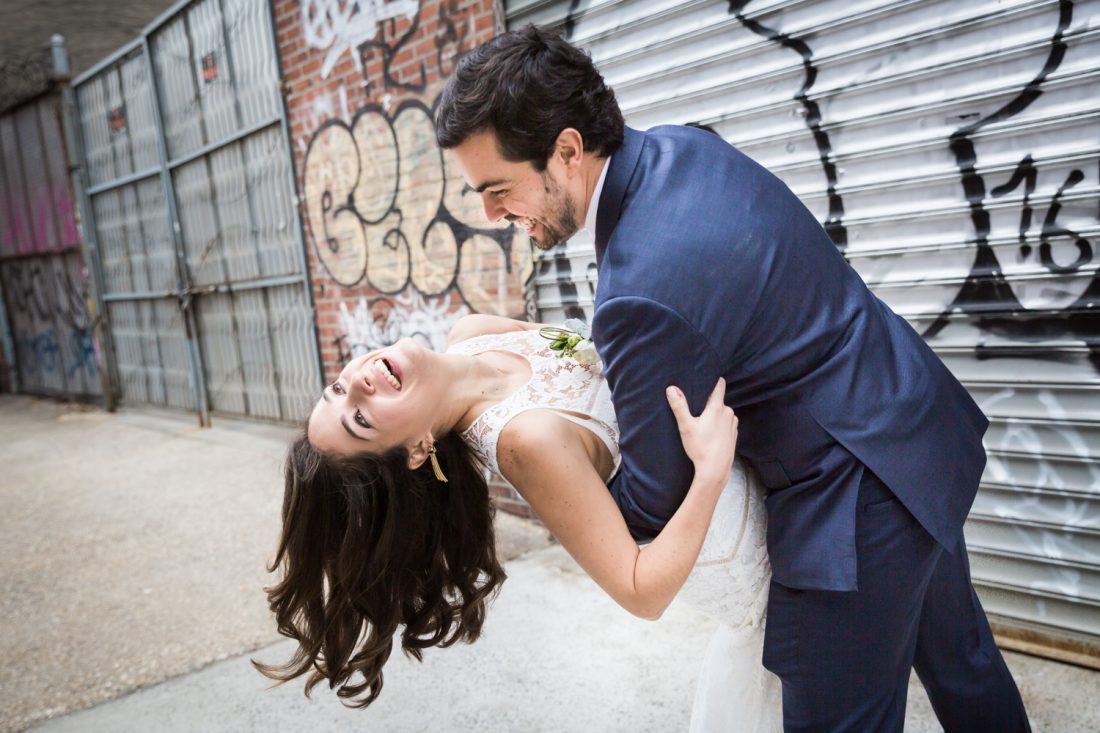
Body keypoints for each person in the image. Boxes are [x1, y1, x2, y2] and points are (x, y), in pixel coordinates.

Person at [432, 25, 1031, 733]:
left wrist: (563, 464)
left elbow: (655, 500)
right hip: (913, 423)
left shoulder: (636, 294)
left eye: (497, 189)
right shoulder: (684, 147)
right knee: (966, 667)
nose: (493, 215)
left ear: (566, 149)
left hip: (853, 506)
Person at [258, 315, 781, 730]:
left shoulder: (470, 335)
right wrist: (710, 472)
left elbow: (602, 349)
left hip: (777, 462)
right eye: (361, 417)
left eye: (337, 387)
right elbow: (640, 591)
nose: (358, 381)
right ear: (416, 451)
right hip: (755, 554)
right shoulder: (523, 442)